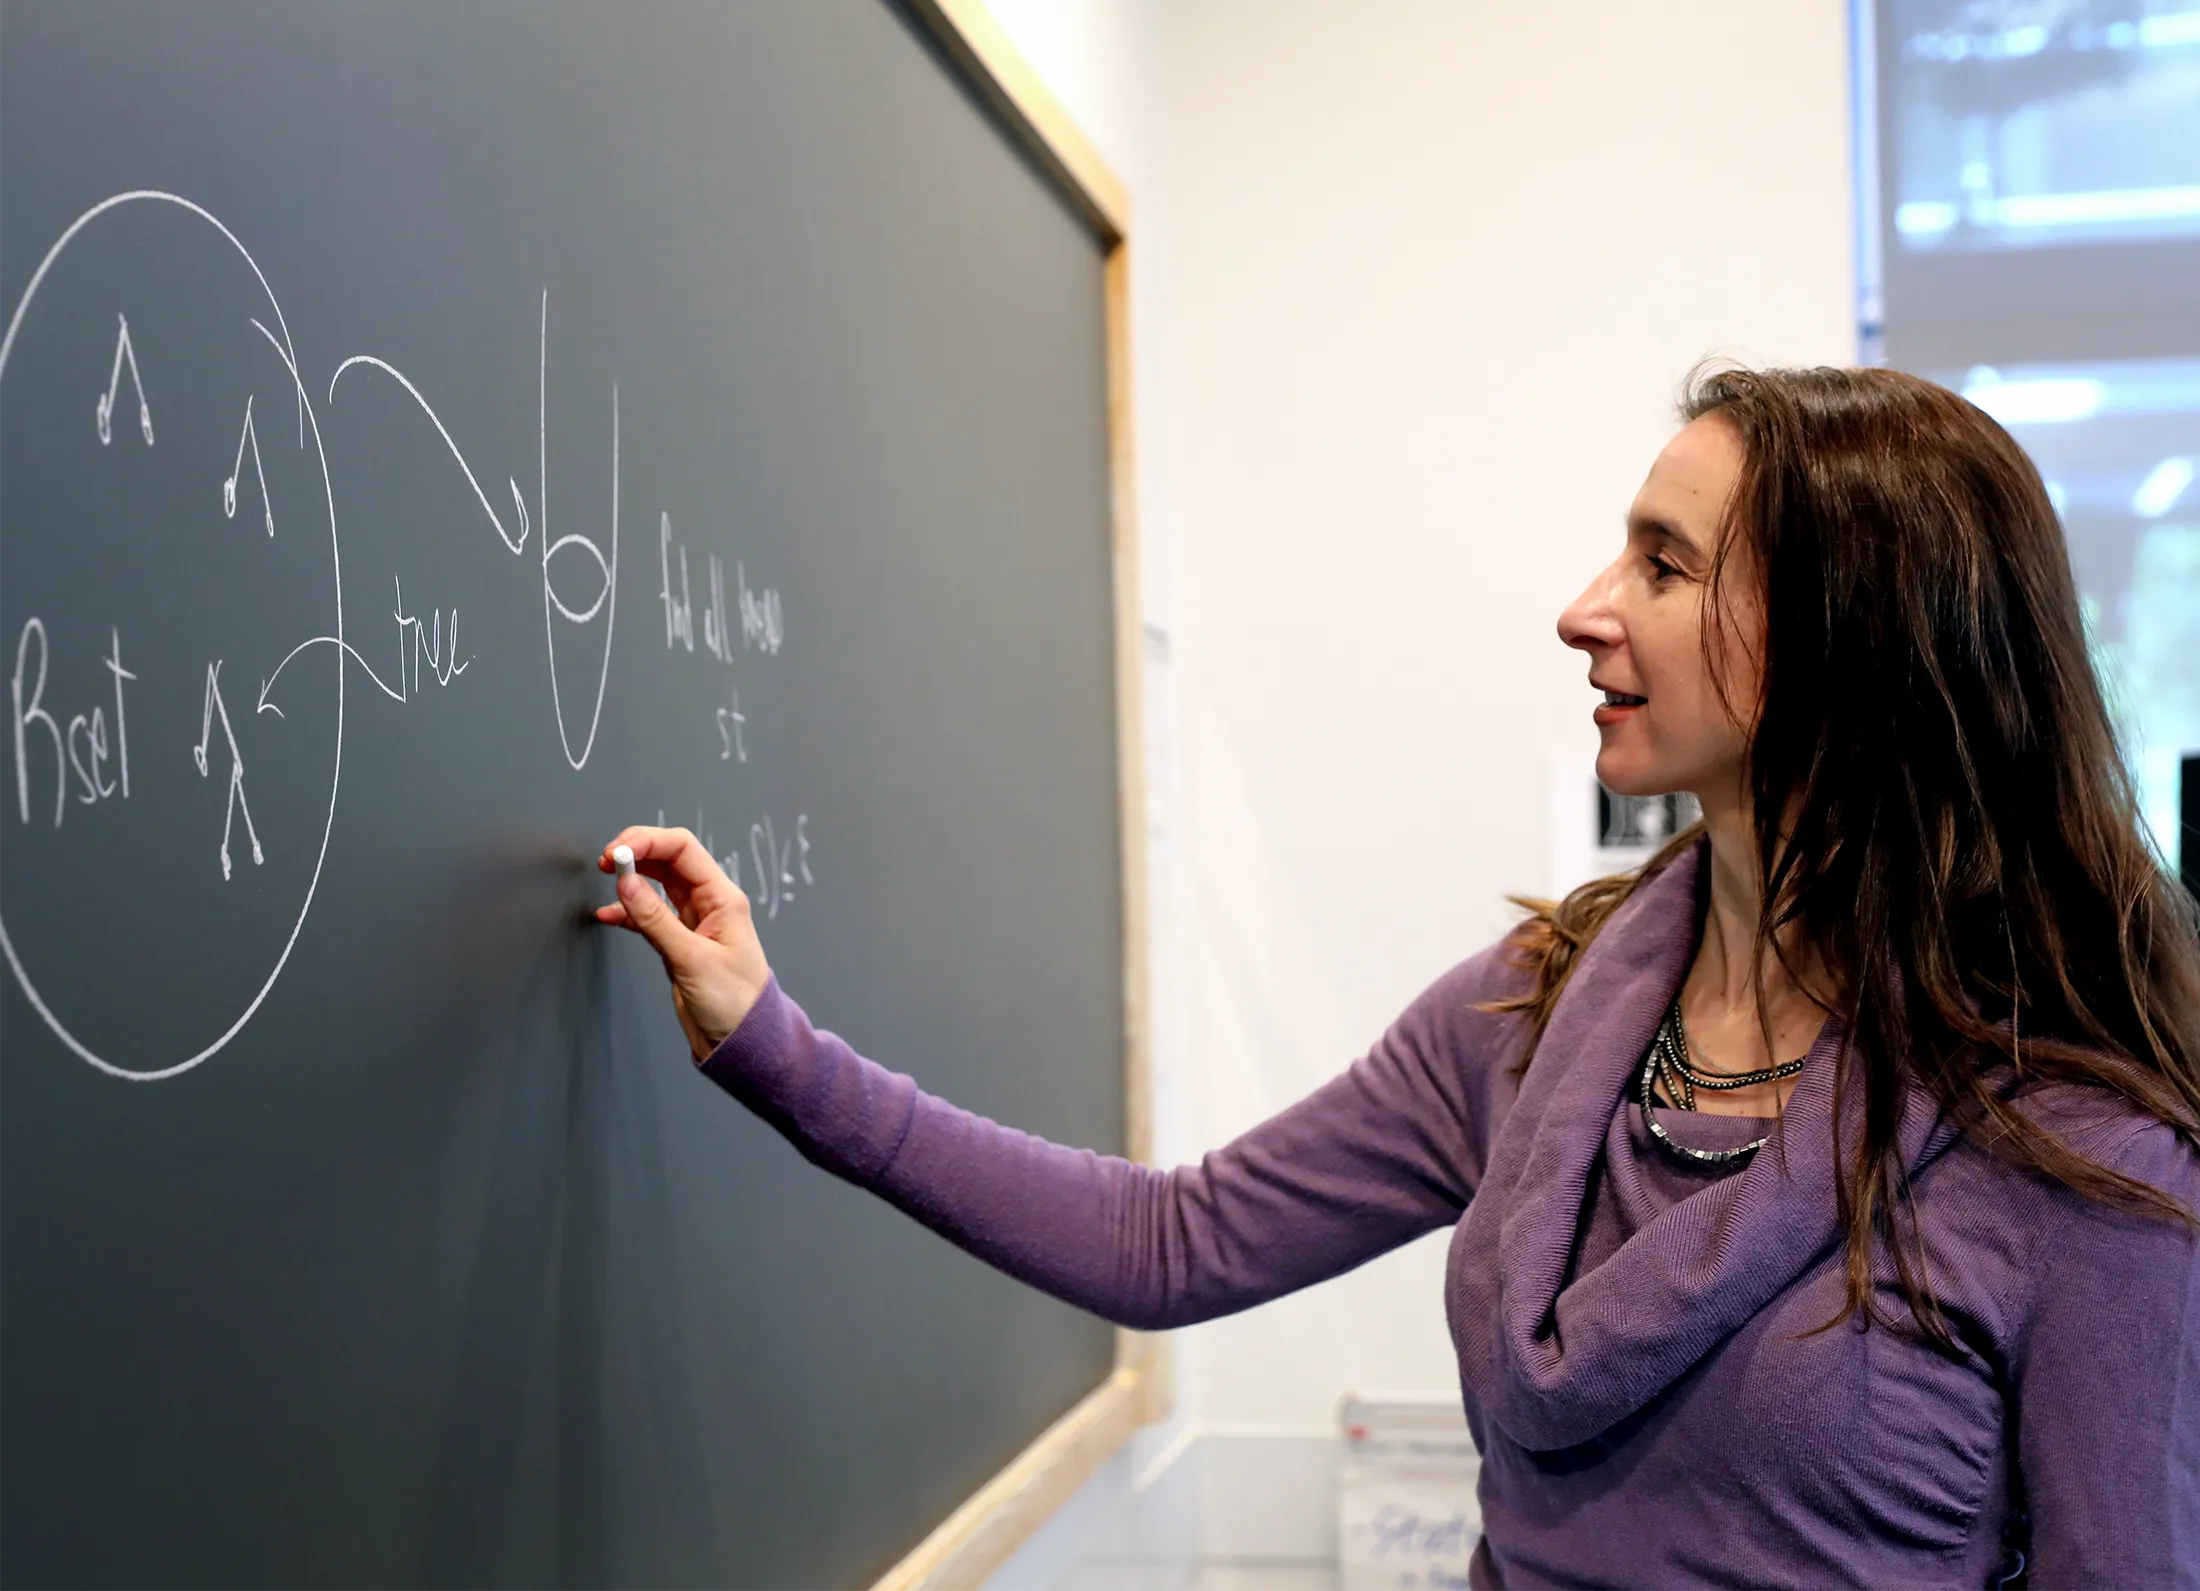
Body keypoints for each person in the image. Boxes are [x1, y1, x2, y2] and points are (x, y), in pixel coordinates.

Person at [595, 365, 2200, 1590]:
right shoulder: (1534, 1013)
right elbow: (1172, 1237)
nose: (1585, 610)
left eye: (1662, 563)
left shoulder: (2079, 1157)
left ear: (1851, 635)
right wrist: (771, 1043)